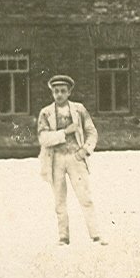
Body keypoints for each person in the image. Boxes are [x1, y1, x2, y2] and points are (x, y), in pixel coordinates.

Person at [37, 75, 103, 246]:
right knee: (59, 200)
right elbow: (43, 138)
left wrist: (85, 150)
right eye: (56, 91)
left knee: (85, 196)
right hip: (56, 159)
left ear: (69, 92)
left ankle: (96, 234)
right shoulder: (46, 113)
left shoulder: (79, 110)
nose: (59, 94)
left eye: (63, 91)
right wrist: (65, 132)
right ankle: (63, 237)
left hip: (75, 157)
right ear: (52, 93)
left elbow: (92, 132)